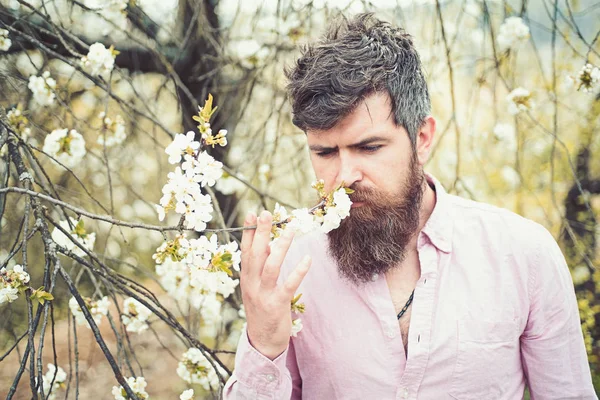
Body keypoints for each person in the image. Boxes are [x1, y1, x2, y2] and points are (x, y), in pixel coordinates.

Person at [223, 13, 597, 400]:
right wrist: (264, 343)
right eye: (324, 152)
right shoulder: (289, 269)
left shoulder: (523, 255)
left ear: (422, 138)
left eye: (369, 147)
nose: (345, 175)